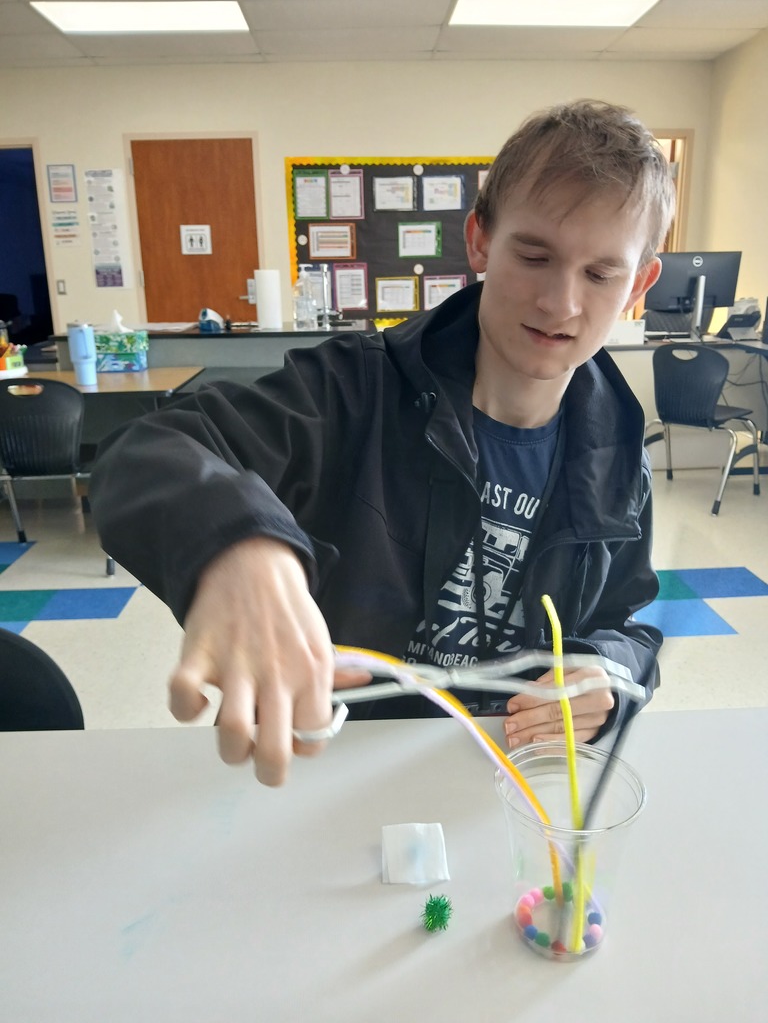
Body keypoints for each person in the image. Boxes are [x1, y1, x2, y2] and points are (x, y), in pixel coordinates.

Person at [91, 98, 674, 786]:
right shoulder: (352, 387)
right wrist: (238, 544)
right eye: (535, 255)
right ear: (480, 239)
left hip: (511, 782)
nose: (561, 303)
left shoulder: (616, 448)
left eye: (601, 274)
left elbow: (627, 621)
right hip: (340, 772)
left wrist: (606, 670)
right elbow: (145, 451)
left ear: (639, 283)